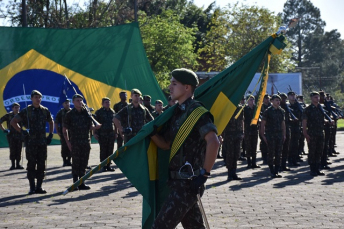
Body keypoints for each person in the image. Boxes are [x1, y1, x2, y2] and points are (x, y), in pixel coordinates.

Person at [150, 68, 220, 228]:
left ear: (187, 87)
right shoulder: (176, 113)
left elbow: (213, 142)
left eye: (174, 83)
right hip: (176, 182)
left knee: (160, 226)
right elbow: (167, 144)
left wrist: (204, 174)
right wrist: (152, 133)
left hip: (188, 183)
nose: (170, 87)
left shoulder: (197, 112)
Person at [11, 90, 54, 194]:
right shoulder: (26, 111)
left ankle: (39, 186)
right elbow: (13, 122)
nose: (38, 99)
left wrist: (50, 135)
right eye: (35, 97)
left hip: (42, 142)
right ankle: (32, 187)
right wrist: (22, 131)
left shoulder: (44, 110)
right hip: (31, 142)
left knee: (41, 164)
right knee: (31, 164)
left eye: (39, 97)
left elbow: (51, 121)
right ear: (31, 98)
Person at [63, 94, 100, 190]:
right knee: (76, 163)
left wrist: (95, 127)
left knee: (84, 162)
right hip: (75, 142)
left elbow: (90, 126)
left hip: (85, 142)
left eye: (81, 100)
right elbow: (64, 129)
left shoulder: (86, 113)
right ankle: (75, 183)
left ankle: (82, 182)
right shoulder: (69, 114)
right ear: (73, 102)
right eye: (77, 100)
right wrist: (68, 142)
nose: (80, 102)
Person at [302, 91, 331, 176]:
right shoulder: (307, 109)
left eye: (318, 97)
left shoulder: (320, 108)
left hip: (320, 132)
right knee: (312, 151)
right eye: (315, 97)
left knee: (319, 151)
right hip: (312, 133)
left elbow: (322, 119)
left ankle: (318, 168)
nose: (317, 99)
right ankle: (312, 169)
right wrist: (305, 133)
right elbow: (304, 122)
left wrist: (328, 121)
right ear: (311, 98)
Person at [260, 94, 286, 178]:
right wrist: (263, 135)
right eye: (276, 100)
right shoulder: (268, 111)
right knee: (271, 153)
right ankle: (271, 171)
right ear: (272, 101)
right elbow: (263, 124)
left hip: (279, 134)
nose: (278, 102)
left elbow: (283, 123)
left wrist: (284, 134)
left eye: (279, 100)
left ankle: (276, 171)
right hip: (270, 135)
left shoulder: (281, 111)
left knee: (279, 153)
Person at [222, 104, 244, 181]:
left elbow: (241, 120)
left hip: (237, 134)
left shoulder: (240, 108)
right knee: (229, 154)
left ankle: (234, 172)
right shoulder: (228, 107)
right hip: (229, 134)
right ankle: (229, 173)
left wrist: (242, 132)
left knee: (236, 154)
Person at [94, 97, 116, 172]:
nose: (108, 104)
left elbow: (115, 123)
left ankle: (108, 165)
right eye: (106, 102)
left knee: (110, 150)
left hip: (111, 134)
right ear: (102, 104)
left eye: (109, 102)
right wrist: (95, 133)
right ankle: (103, 166)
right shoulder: (99, 112)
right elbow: (95, 124)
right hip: (102, 134)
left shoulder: (112, 112)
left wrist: (116, 133)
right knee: (103, 150)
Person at [0, 103, 24, 170]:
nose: (17, 109)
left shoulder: (21, 115)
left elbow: (26, 123)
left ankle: (18, 164)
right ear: (12, 108)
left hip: (19, 135)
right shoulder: (9, 115)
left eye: (18, 107)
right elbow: (0, 121)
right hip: (11, 135)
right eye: (15, 107)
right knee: (12, 150)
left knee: (19, 149)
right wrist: (4, 130)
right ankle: (13, 165)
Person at [243, 95, 260, 169]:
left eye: (253, 99)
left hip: (254, 130)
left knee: (254, 146)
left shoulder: (256, 109)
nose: (252, 101)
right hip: (247, 130)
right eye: (250, 100)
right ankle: (249, 163)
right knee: (248, 147)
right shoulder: (245, 109)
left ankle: (254, 162)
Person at [54, 99, 72, 167]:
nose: (67, 104)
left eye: (68, 102)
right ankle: (64, 161)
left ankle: (69, 160)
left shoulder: (72, 111)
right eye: (65, 103)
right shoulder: (61, 112)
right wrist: (58, 131)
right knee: (64, 147)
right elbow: (56, 122)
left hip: (72, 133)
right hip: (63, 133)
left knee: (71, 146)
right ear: (63, 104)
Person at [288, 91, 303, 166]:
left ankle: (295, 158)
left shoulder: (298, 105)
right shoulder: (287, 106)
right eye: (291, 95)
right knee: (290, 144)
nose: (293, 97)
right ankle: (290, 159)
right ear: (288, 97)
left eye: (294, 95)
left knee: (296, 144)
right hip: (290, 127)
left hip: (297, 127)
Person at [280, 93, 291, 171]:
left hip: (286, 129)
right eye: (282, 99)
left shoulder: (287, 108)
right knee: (278, 150)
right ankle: (278, 165)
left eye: (285, 99)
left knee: (286, 149)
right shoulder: (278, 108)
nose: (284, 100)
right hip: (278, 131)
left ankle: (284, 164)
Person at [259, 93, 271, 164]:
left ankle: (269, 157)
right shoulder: (260, 107)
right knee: (263, 142)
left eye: (268, 98)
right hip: (263, 126)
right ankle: (264, 157)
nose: (267, 100)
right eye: (265, 98)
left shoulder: (271, 106)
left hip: (270, 127)